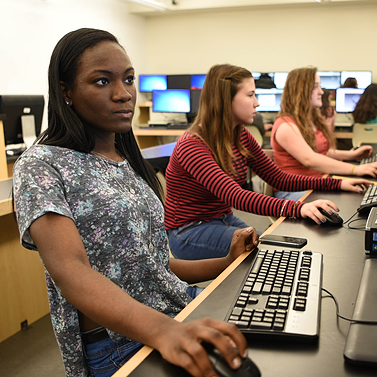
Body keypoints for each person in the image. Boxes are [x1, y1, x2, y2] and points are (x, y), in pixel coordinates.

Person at [12, 29, 260, 377]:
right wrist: (163, 330)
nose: (123, 94)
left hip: (175, 313)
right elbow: (71, 272)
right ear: (66, 91)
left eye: (129, 79)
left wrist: (226, 261)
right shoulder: (40, 165)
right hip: (122, 343)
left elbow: (154, 267)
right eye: (101, 81)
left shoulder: (126, 160)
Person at [164, 64, 372, 261]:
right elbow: (236, 197)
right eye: (250, 95)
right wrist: (299, 208)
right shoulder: (192, 145)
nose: (257, 102)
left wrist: (336, 183)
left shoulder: (240, 135)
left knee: (281, 248)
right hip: (189, 231)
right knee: (272, 252)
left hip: (223, 218)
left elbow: (279, 179)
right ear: (226, 100)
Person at [270, 67, 377, 193]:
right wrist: (356, 169)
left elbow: (320, 152)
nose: (321, 92)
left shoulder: (310, 120)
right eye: (316, 87)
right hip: (295, 191)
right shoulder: (285, 126)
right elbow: (310, 159)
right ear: (301, 91)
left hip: (318, 182)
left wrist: (351, 155)